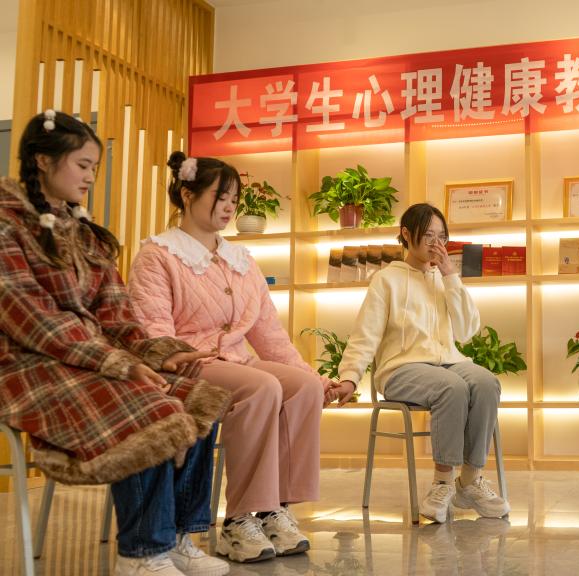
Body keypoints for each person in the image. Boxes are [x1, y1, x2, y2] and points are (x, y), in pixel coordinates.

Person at [0, 110, 232, 576]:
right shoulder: (7, 225)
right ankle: (141, 553)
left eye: (94, 168)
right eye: (82, 165)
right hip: (28, 365)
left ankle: (178, 537)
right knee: (152, 408)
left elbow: (117, 316)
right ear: (43, 161)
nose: (90, 177)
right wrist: (117, 364)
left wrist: (158, 353)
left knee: (196, 397)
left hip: (88, 360)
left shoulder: (86, 235)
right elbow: (32, 320)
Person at [128, 152, 354, 563]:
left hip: (236, 363)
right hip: (187, 365)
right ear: (187, 195)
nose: (230, 206)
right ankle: (238, 520)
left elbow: (270, 337)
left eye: (234, 198)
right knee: (261, 387)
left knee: (301, 387)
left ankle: (274, 510)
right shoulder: (157, 255)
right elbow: (153, 329)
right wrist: (174, 355)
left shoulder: (242, 261)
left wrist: (319, 379)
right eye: (221, 196)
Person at [336, 202, 510, 523]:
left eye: (441, 236)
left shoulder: (444, 279)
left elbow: (467, 331)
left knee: (487, 383)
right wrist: (350, 375)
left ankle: (470, 481)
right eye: (428, 235)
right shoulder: (386, 279)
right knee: (452, 388)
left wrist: (450, 276)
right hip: (401, 369)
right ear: (406, 234)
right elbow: (366, 333)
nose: (436, 244)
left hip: (448, 361)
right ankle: (442, 483)